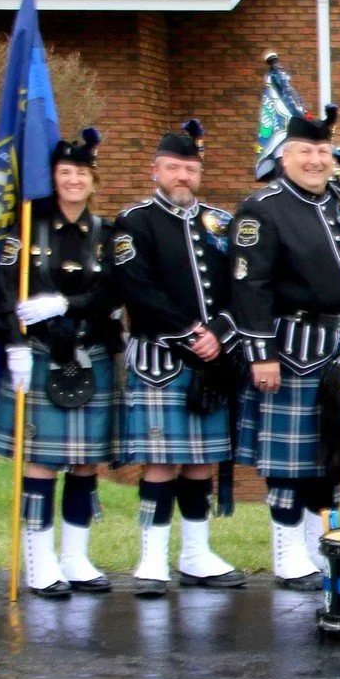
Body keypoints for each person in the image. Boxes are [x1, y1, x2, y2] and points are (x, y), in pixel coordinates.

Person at [232, 103, 340, 590]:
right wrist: (261, 354)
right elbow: (250, 285)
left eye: (323, 152)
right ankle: (288, 553)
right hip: (292, 348)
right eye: (305, 152)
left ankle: (321, 544)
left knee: (331, 453)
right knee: (289, 462)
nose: (316, 161)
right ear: (284, 156)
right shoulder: (263, 209)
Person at [112, 119, 246, 595]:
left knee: (200, 462)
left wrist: (221, 333)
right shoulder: (134, 222)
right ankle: (151, 559)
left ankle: (196, 554)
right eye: (173, 168)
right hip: (161, 359)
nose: (182, 176)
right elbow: (137, 289)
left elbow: (244, 285)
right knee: (160, 462)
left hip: (214, 358)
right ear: (155, 170)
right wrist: (191, 333)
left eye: (190, 168)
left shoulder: (221, 223)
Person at [0, 129, 123, 595]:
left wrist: (67, 304)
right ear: (52, 178)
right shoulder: (26, 230)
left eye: (82, 173)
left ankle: (76, 557)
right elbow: (5, 293)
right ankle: (40, 559)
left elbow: (114, 292)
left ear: (93, 181)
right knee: (42, 461)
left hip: (91, 352)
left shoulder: (107, 234)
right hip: (42, 354)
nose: (73, 181)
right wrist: (14, 344)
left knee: (85, 464)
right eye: (65, 172)